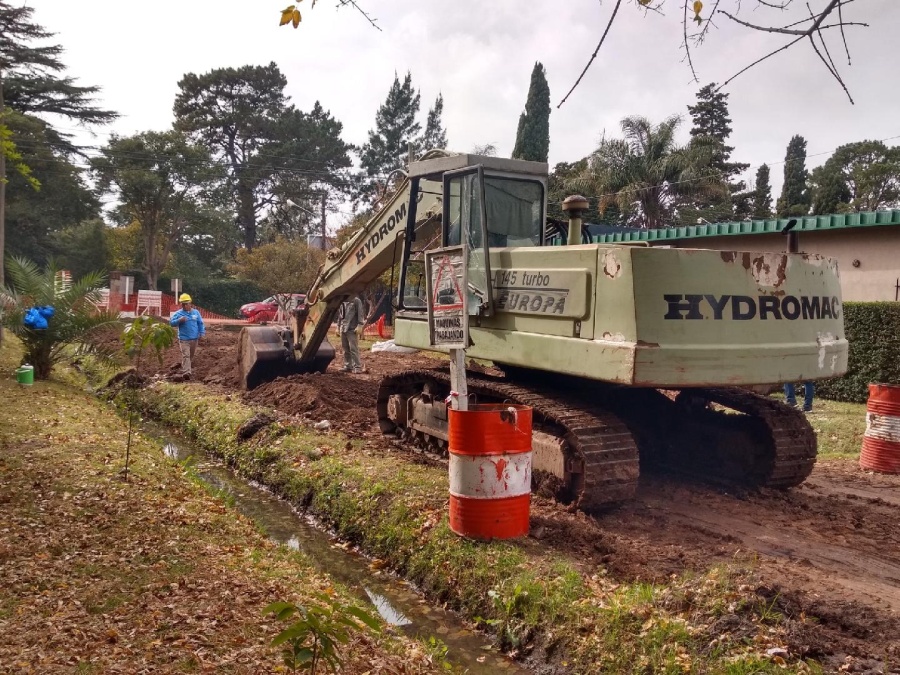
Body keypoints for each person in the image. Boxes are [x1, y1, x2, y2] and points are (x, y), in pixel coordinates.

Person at [169, 293, 205, 379]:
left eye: (186, 304)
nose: (185, 306)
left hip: (194, 339)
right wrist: (179, 320)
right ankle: (187, 372)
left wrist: (202, 333)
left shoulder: (196, 313)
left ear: (190, 303)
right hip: (184, 339)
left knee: (190, 356)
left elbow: (200, 323)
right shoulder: (178, 314)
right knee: (186, 355)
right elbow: (171, 323)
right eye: (183, 304)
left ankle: (184, 367)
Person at [337, 295, 366, 373]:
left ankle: (357, 367)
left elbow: (360, 313)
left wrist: (360, 325)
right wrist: (338, 326)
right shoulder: (342, 301)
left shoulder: (356, 301)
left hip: (352, 329)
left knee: (353, 348)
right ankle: (348, 366)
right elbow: (340, 315)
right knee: (345, 349)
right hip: (343, 328)